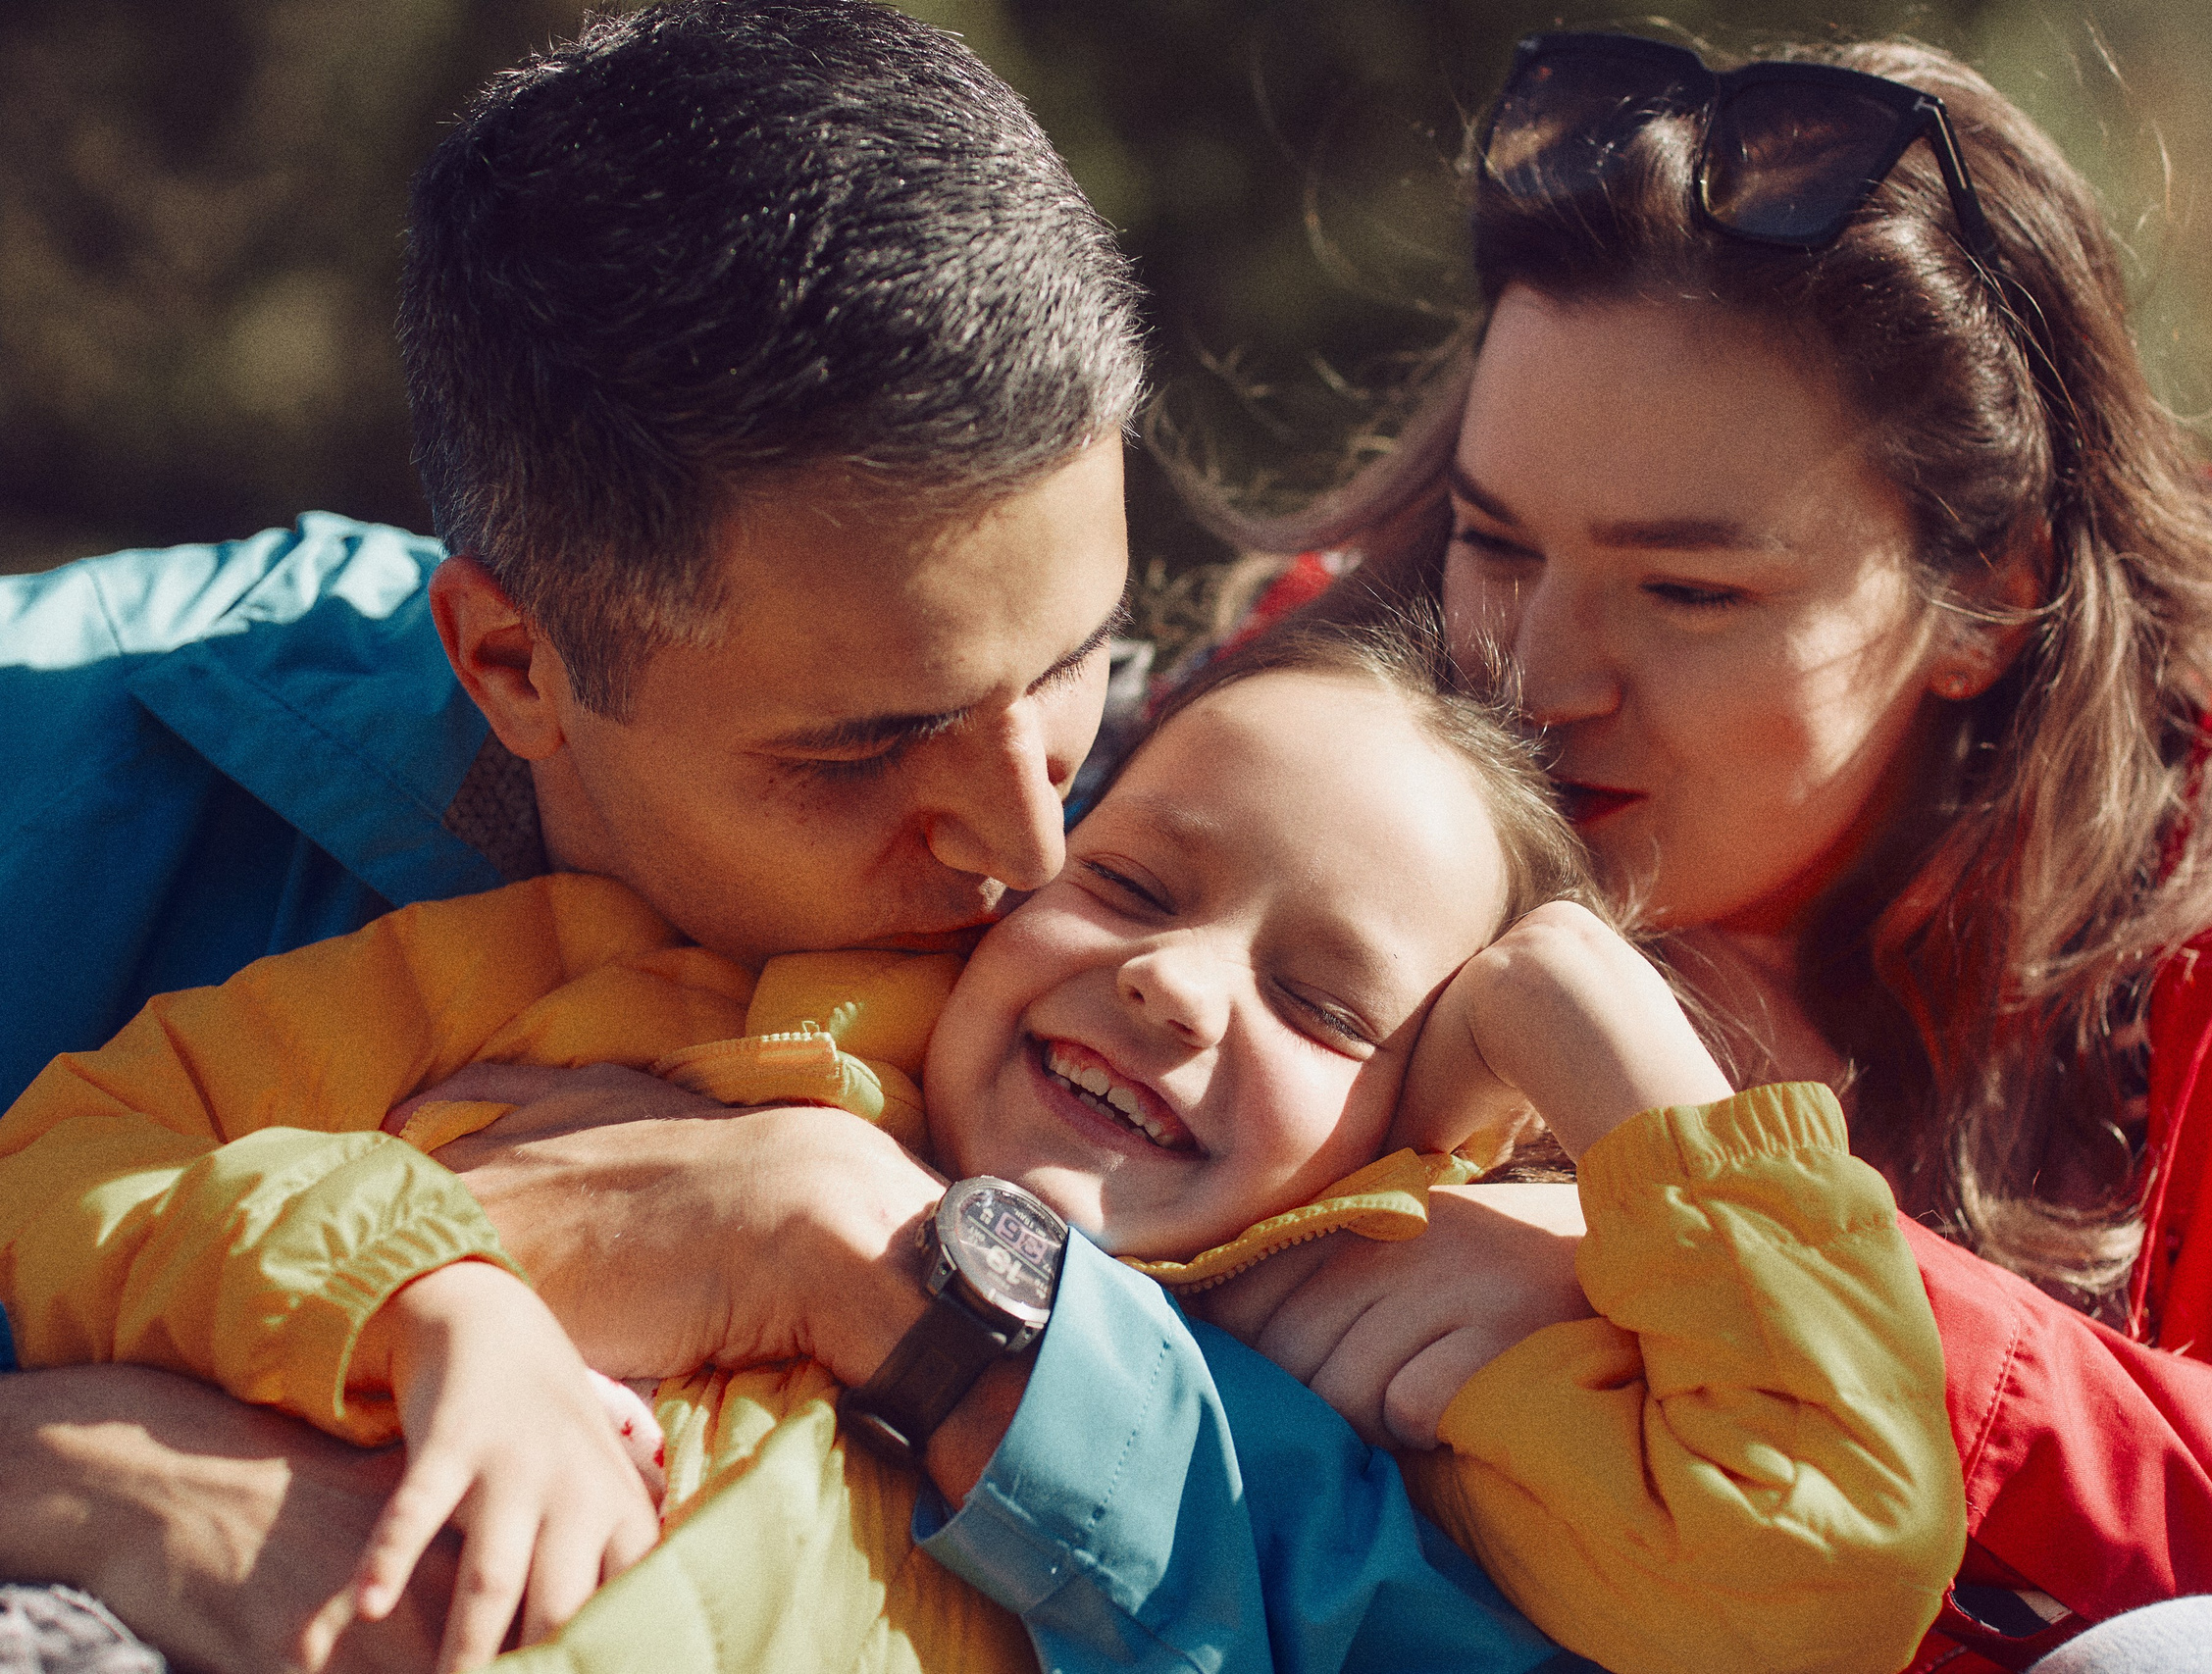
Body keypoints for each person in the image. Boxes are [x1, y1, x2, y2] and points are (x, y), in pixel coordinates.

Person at [0, 8, 1558, 1673]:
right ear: (513, 665)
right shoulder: (50, 760)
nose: (1029, 837)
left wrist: (866, 1268)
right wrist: (89, 1470)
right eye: (866, 747)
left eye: (1073, 670)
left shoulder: (1187, 912)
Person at [1198, 29, 2212, 1674]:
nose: (1533, 677)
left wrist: (1735, 1268)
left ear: (1991, 598)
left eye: (1689, 592)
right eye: (1494, 541)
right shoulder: (1300, 739)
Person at [3, 619, 1965, 1674]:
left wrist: (1590, 1022)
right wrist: (431, 1292)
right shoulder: (633, 988)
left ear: (1416, 1133)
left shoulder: (1350, 1364)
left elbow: (1815, 1565)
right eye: (1127, 882)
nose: (1174, 988)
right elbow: (76, 1154)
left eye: (1322, 1002)